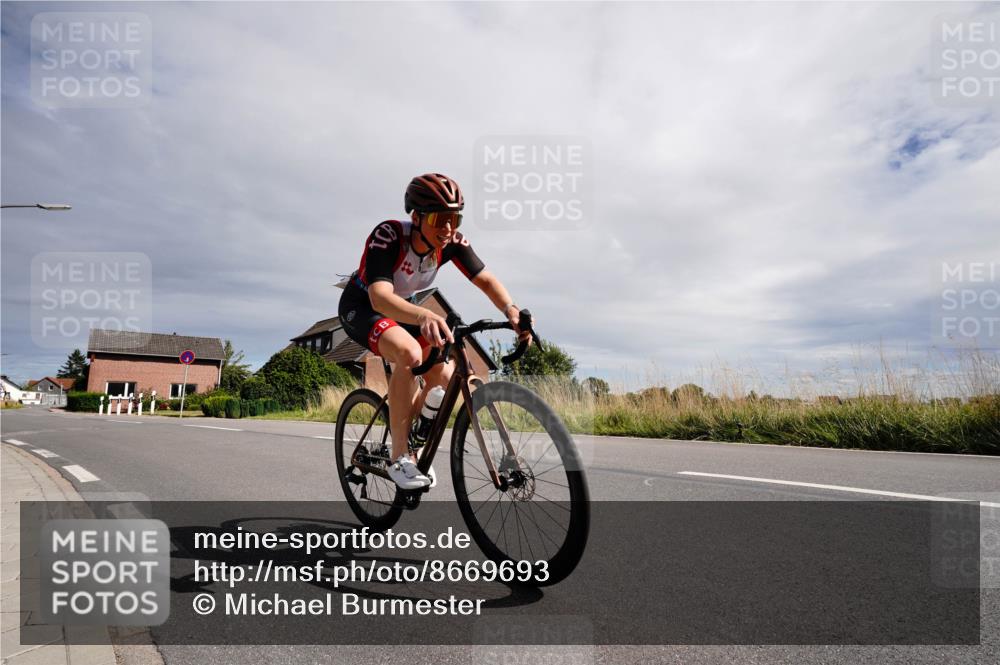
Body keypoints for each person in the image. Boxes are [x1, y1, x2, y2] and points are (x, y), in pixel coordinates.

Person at [338, 173, 530, 489]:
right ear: (417, 217)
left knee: (444, 373)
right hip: (364, 305)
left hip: (405, 308)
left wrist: (510, 310)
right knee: (409, 353)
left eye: (455, 218)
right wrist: (425, 313)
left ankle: (413, 432)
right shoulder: (388, 236)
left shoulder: (451, 242)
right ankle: (401, 457)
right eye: (441, 219)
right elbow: (380, 297)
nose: (448, 228)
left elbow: (485, 279)